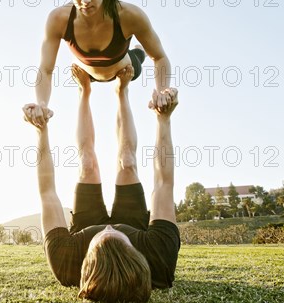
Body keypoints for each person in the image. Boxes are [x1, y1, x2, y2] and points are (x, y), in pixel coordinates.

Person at [22, 64, 180, 303]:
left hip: (86, 228)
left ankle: (83, 91)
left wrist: (40, 131)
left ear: (85, 264)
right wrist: (163, 120)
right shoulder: (159, 256)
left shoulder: (65, 261)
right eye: (117, 237)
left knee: (87, 164)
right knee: (127, 163)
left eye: (103, 237)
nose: (109, 228)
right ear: (136, 255)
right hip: (134, 226)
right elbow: (163, 184)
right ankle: (122, 91)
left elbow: (47, 193)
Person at [29, 0, 172, 127]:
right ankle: (86, 87)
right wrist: (42, 104)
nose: (85, 0)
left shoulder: (130, 15)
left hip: (123, 66)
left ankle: (137, 52)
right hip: (86, 72)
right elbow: (45, 69)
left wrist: (162, 91)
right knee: (81, 87)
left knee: (137, 57)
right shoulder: (58, 19)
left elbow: (159, 57)